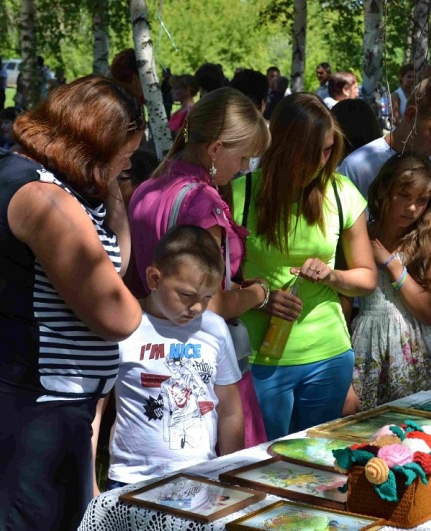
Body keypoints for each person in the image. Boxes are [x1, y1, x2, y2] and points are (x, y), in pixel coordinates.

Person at [0, 75, 144, 530]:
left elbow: (112, 266)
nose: (123, 170)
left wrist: (109, 189)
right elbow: (119, 315)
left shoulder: (18, 169)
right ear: (93, 143)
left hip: (42, 409)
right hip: (35, 421)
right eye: (121, 158)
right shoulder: (45, 199)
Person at [128, 87, 271, 448]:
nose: (243, 170)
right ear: (215, 149)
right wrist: (259, 293)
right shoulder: (204, 202)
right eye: (243, 159)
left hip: (152, 351)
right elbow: (211, 304)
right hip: (201, 359)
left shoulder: (149, 187)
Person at [231, 93, 376, 440]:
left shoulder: (341, 192)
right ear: (283, 147)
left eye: (328, 150)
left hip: (329, 356)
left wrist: (333, 275)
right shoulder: (239, 193)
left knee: (320, 470)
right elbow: (215, 286)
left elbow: (367, 277)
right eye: (314, 153)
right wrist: (261, 297)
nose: (322, 162)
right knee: (264, 468)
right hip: (259, 360)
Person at [93, 226, 244, 492]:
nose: (196, 307)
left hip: (201, 478)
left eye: (207, 298)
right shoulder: (124, 326)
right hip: (131, 479)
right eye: (186, 295)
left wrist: (231, 476)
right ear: (154, 278)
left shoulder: (214, 328)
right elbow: (95, 412)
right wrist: (90, 484)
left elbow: (230, 410)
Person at [338, 77, 431, 369]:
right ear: (410, 115)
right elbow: (339, 252)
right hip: (365, 319)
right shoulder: (358, 166)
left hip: (423, 321)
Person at [347, 153, 431, 411]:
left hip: (414, 348)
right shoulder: (360, 234)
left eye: (422, 200)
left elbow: (429, 312)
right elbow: (343, 300)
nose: (412, 208)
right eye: (404, 195)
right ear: (384, 190)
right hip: (367, 344)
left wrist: (392, 264)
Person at [390, 63, 416, 129]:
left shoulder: (415, 94)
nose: (412, 80)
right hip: (399, 134)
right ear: (401, 77)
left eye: (414, 77)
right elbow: (395, 120)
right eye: (409, 77)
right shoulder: (396, 95)